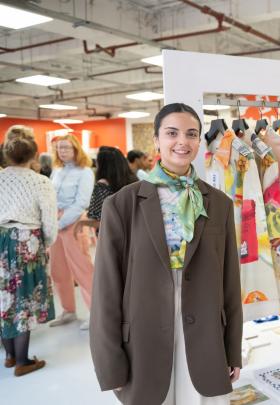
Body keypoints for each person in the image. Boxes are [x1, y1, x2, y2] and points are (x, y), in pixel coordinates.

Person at [90, 103, 242, 405]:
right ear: (156, 140)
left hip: (204, 334)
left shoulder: (219, 204)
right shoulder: (122, 205)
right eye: (172, 133)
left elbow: (230, 283)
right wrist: (110, 363)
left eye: (191, 134)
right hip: (144, 334)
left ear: (200, 141)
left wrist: (232, 348)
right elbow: (106, 290)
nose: (182, 142)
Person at [0, 125, 57, 376]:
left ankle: (10, 356)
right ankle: (23, 361)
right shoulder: (40, 181)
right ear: (34, 155)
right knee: (23, 299)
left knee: (5, 298)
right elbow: (50, 221)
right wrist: (46, 243)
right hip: (27, 241)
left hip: (1, 238)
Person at [49, 134, 95, 330]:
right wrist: (52, 222)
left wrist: (61, 222)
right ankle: (68, 310)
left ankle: (96, 312)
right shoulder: (57, 171)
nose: (63, 151)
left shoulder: (85, 172)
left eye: (67, 147)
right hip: (55, 223)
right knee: (57, 270)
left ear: (76, 149)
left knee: (82, 269)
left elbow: (82, 202)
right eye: (60, 148)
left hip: (74, 224)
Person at [74, 146, 137, 235]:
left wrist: (81, 222)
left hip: (112, 238)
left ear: (102, 165)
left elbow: (100, 221)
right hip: (133, 234)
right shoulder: (133, 180)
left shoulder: (103, 185)